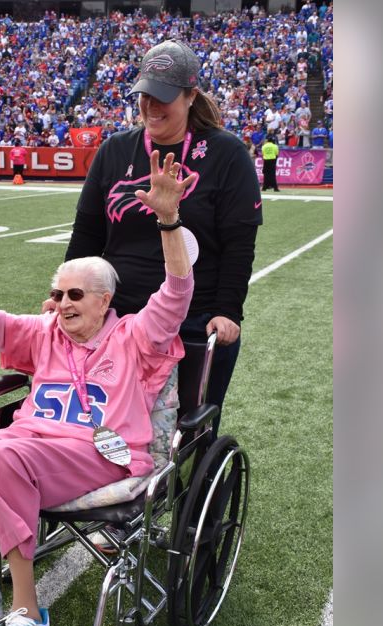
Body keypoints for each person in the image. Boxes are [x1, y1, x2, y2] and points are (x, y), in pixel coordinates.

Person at [0, 152, 197, 626]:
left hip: (105, 453)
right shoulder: (45, 333)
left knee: (6, 455)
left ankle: (28, 616)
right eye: (58, 293)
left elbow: (177, 295)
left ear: (105, 301)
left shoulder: (134, 336)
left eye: (76, 295)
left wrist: (169, 221)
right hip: (38, 447)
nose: (62, 303)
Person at [59, 39, 262, 555]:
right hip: (113, 315)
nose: (150, 109)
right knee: (87, 408)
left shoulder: (227, 155)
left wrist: (227, 311)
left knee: (181, 428)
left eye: (163, 99)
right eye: (143, 98)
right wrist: (64, 292)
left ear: (191, 95)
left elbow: (239, 243)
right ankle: (97, 486)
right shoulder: (116, 151)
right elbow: (86, 234)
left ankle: (174, 508)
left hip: (189, 315)